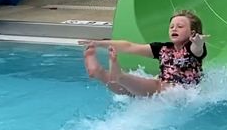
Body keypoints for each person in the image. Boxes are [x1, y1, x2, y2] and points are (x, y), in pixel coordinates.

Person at [80, 10, 208, 97]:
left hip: (183, 93)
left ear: (192, 33)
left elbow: (198, 49)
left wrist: (198, 42)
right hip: (162, 91)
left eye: (180, 26)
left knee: (158, 86)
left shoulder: (192, 49)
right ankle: (98, 72)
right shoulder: (162, 48)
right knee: (127, 91)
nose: (174, 28)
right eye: (171, 26)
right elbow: (129, 46)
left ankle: (120, 76)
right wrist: (98, 43)